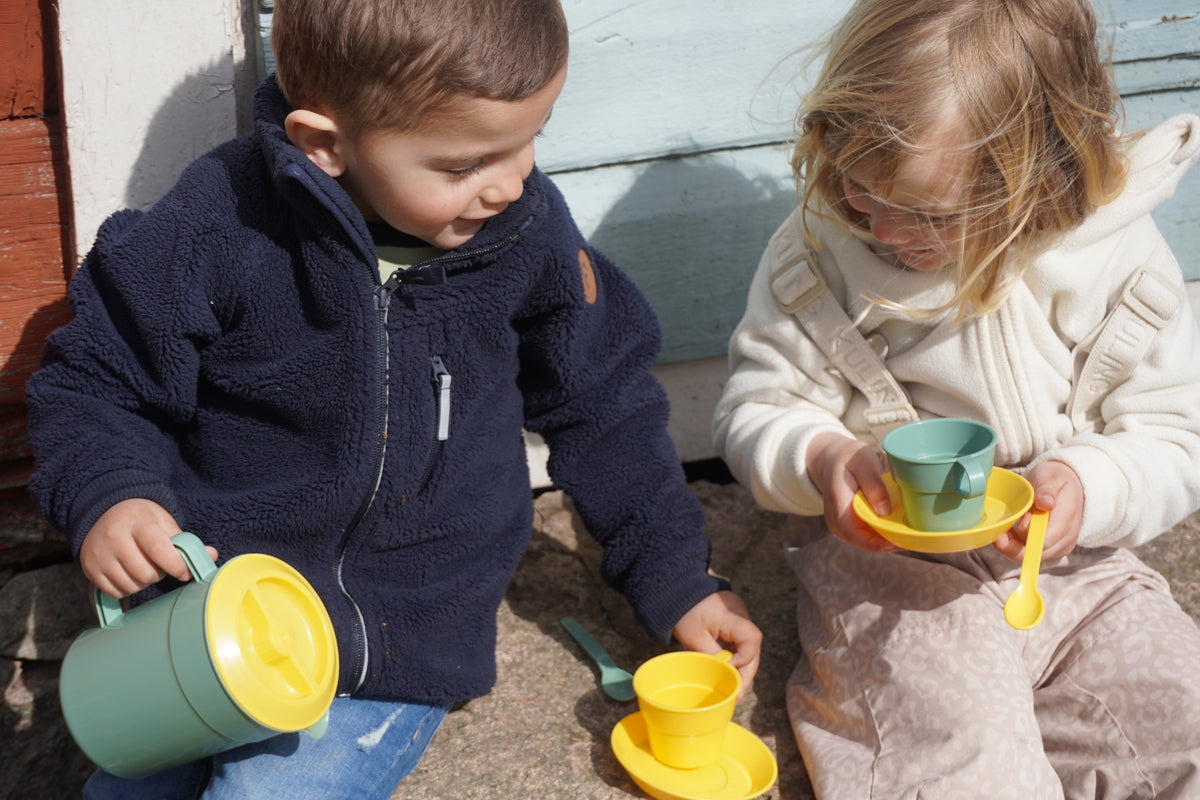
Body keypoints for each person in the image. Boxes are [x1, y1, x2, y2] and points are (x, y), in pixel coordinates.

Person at [27, 0, 762, 797]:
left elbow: (605, 401)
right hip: (214, 611)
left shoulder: (527, 236)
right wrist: (110, 494)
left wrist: (676, 575)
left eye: (532, 138)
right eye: (463, 167)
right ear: (326, 144)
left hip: (401, 627)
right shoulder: (218, 222)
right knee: (129, 783)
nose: (512, 182)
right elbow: (97, 376)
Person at [713, 0, 1200, 796]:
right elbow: (756, 406)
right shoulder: (820, 254)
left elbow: (1176, 434)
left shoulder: (1120, 259)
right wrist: (821, 454)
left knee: (1181, 719)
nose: (884, 228)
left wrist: (1091, 482)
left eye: (930, 215)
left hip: (1078, 569)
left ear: (1040, 179)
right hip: (896, 570)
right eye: (859, 189)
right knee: (954, 756)